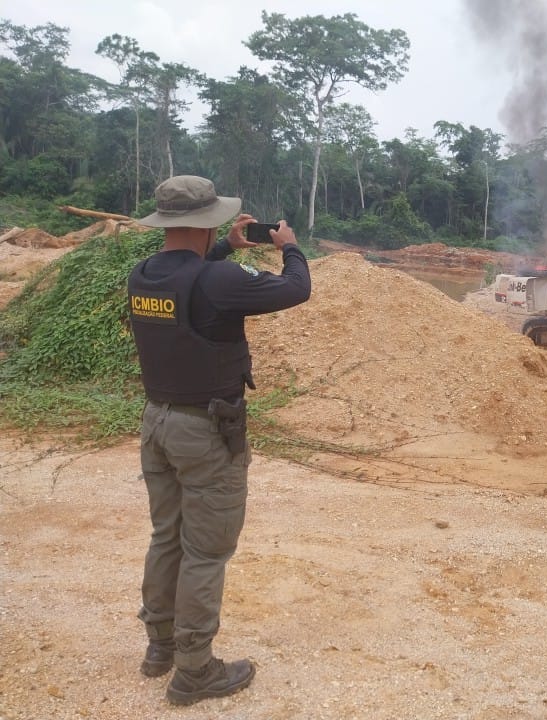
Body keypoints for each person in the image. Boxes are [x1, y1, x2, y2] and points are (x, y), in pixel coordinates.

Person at [127, 175, 311, 705]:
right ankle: (195, 670)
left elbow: (190, 285)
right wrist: (290, 246)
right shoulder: (220, 280)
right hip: (205, 431)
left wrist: (227, 247)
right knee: (205, 553)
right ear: (208, 223)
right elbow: (296, 289)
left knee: (167, 537)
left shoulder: (142, 275)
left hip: (156, 421)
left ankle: (159, 647)